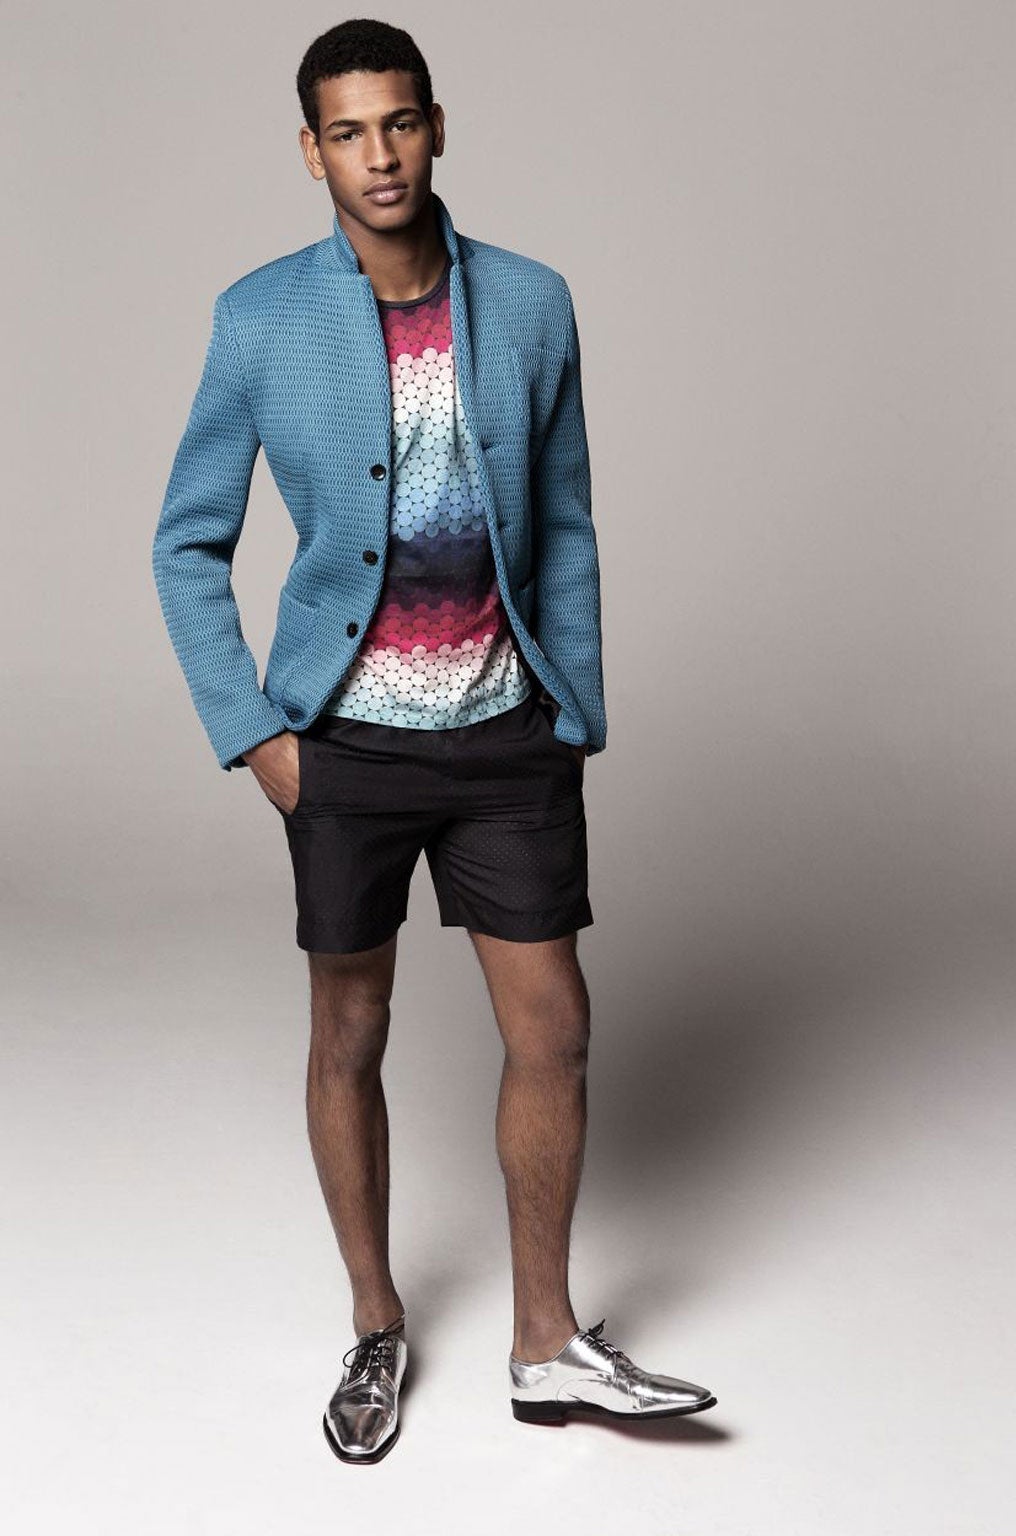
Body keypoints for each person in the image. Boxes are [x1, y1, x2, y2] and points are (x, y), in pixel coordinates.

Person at [152, 17, 717, 1464]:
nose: (380, 155)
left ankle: (545, 1343)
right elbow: (186, 542)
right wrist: (255, 734)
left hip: (507, 732)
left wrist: (574, 706)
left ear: (437, 126)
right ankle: (375, 1322)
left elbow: (567, 520)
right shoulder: (258, 319)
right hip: (342, 745)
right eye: (348, 132)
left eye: (398, 122)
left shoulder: (529, 302)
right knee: (351, 1032)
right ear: (312, 152)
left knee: (557, 1030)